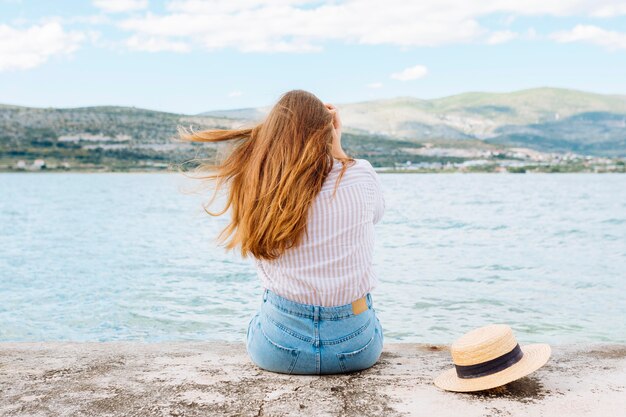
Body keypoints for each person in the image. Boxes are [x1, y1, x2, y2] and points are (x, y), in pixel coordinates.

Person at [178, 89, 385, 375]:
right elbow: (375, 214)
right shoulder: (361, 174)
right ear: (328, 132)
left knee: (259, 320)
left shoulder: (258, 184)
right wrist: (337, 146)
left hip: (277, 348)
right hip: (355, 349)